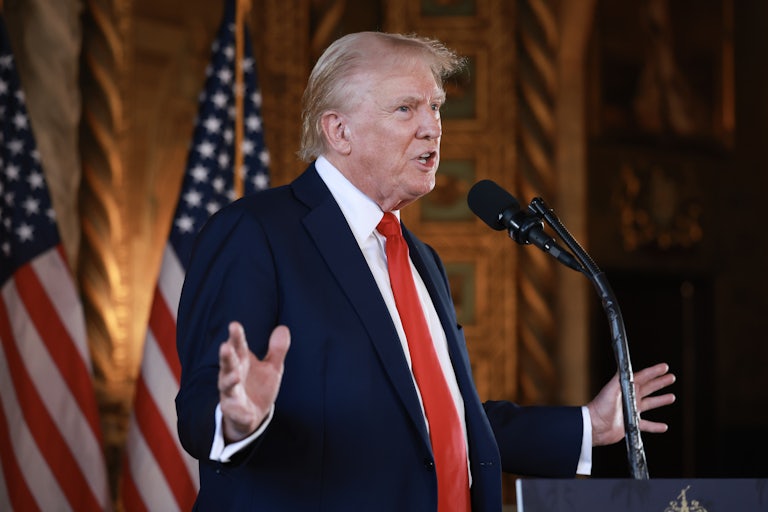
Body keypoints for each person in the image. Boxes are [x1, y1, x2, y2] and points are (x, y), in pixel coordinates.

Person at [175, 31, 676, 511]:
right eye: (405, 108)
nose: (432, 126)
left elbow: (443, 421)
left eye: (435, 106)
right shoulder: (255, 233)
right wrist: (236, 420)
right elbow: (204, 398)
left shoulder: (420, 260)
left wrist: (589, 424)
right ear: (339, 130)